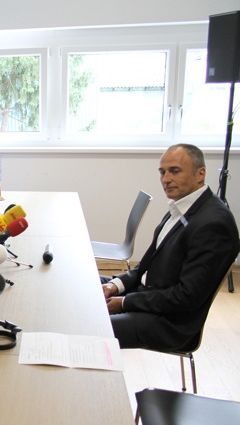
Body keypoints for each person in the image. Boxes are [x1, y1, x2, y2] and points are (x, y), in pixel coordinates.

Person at [101, 144, 240, 351]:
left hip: (168, 323)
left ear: (200, 174)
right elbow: (144, 267)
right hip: (146, 296)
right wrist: (115, 286)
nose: (166, 179)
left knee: (89, 326)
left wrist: (124, 302)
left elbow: (185, 297)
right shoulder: (182, 206)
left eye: (175, 171)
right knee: (80, 285)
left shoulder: (214, 224)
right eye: (162, 172)